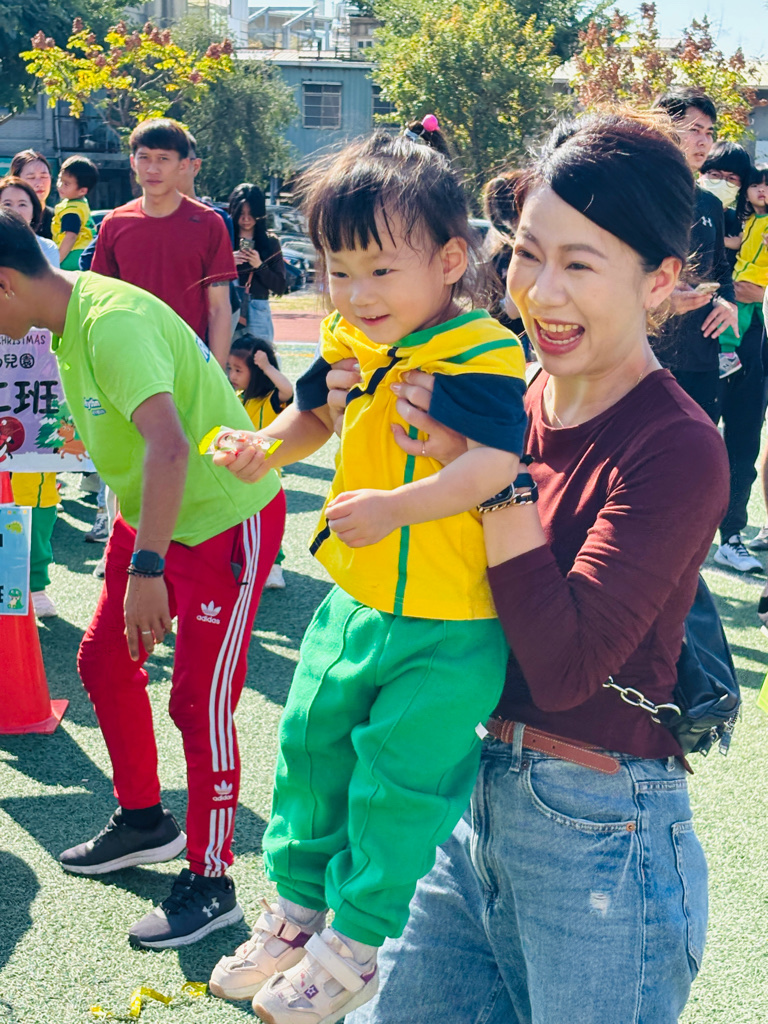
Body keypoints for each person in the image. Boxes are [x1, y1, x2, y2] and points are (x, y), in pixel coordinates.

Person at [326, 112, 728, 1024]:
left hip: (600, 836)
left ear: (661, 282)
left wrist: (487, 477)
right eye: (527, 254)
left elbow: (564, 669)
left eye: (581, 265)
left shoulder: (676, 446)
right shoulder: (504, 388)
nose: (542, 293)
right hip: (459, 800)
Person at [208, 128, 528, 1022]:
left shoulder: (479, 351)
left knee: (398, 781)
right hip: (356, 598)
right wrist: (264, 447)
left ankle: (353, 948)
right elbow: (312, 414)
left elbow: (495, 464)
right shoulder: (353, 336)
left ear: (450, 261)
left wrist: (398, 506)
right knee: (310, 745)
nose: (356, 292)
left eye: (382, 269)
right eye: (338, 270)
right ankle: (295, 916)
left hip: (451, 620)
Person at [0, 208, 286, 949]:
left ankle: (212, 881)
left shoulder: (109, 322)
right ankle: (144, 822)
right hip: (155, 516)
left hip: (223, 518)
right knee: (103, 661)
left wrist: (147, 565)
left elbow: (170, 447)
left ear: (4, 285)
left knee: (200, 702)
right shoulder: (68, 319)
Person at [91, 118, 236, 367]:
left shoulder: (209, 223)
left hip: (188, 362)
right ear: (132, 162)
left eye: (163, 158)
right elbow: (100, 301)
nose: (152, 169)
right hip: (129, 362)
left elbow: (219, 308)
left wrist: (216, 373)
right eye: (144, 158)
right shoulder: (114, 223)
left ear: (183, 165)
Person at [652, 90, 738, 423]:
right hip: (647, 356)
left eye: (709, 132)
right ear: (664, 128)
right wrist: (660, 300)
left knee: (700, 447)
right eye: (694, 129)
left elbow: (721, 270)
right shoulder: (640, 196)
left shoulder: (710, 204)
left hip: (702, 356)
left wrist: (727, 303)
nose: (703, 141)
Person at [0, 176, 60, 617]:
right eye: (6, 202)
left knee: (37, 488)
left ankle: (35, 580)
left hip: (34, 396)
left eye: (23, 203)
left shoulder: (48, 254)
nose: (15, 209)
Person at [710, 164, 768, 571]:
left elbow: (753, 290)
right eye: (755, 185)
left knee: (745, 444)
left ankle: (731, 536)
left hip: (754, 349)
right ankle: (685, 531)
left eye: (735, 178)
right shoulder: (727, 221)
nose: (760, 191)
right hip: (707, 346)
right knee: (694, 437)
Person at [227, 334, 293, 589]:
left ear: (256, 372)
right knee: (239, 522)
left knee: (267, 525)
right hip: (238, 472)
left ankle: (274, 568)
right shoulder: (238, 397)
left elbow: (288, 390)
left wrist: (266, 366)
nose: (232, 375)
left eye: (238, 370)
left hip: (266, 475)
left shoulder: (271, 400)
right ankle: (244, 564)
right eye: (230, 368)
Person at [229, 183, 287, 343]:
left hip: (258, 306)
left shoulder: (269, 242)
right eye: (241, 213)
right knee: (226, 355)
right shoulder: (225, 238)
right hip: (229, 304)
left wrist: (260, 266)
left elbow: (280, 286)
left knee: (260, 354)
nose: (246, 219)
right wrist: (227, 263)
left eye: (251, 213)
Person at [51, 156, 99, 270]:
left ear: (82, 191)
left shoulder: (71, 210)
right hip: (84, 252)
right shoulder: (81, 203)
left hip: (71, 255)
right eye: (60, 180)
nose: (60, 185)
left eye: (66, 184)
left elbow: (71, 236)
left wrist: (56, 261)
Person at [10, 149, 54, 239]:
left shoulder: (60, 218)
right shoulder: (7, 221)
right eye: (31, 177)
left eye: (44, 176)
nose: (39, 183)